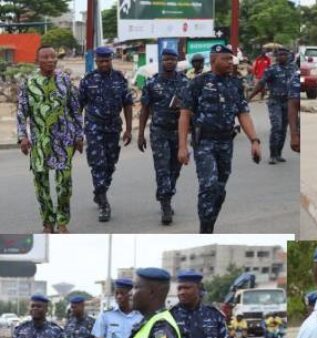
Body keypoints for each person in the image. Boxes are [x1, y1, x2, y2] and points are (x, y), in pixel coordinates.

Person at [178, 44, 263, 233]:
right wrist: (182, 146)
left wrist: (254, 140)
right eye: (226, 59)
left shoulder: (235, 84)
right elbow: (184, 115)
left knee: (219, 190)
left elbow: (243, 114)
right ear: (214, 59)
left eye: (231, 59)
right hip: (205, 142)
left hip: (226, 142)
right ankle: (205, 229)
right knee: (208, 185)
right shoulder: (198, 83)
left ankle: (209, 224)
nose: (230, 63)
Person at [17, 46, 83, 233]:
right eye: (45, 57)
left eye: (53, 57)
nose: (50, 60)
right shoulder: (28, 83)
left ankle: (62, 222)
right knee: (41, 185)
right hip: (39, 142)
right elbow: (22, 113)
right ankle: (47, 222)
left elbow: (75, 110)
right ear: (37, 60)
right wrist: (22, 136)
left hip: (64, 141)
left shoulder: (65, 81)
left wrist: (79, 135)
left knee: (64, 184)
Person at [79, 46, 134, 223]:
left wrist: (128, 129)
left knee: (110, 164)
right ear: (96, 61)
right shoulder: (87, 80)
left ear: (111, 60)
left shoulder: (119, 79)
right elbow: (78, 107)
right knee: (98, 163)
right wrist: (77, 132)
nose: (104, 64)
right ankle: (103, 202)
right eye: (100, 61)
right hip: (94, 126)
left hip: (113, 127)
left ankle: (100, 190)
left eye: (107, 60)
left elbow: (127, 104)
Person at [138, 47, 189, 225]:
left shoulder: (184, 82)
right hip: (159, 131)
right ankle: (166, 204)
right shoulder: (152, 83)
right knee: (162, 169)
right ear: (162, 61)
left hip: (178, 132)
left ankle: (165, 193)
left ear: (177, 61)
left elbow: (191, 109)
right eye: (166, 59)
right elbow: (144, 109)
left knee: (175, 168)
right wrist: (140, 134)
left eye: (172, 59)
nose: (169, 62)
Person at [249, 48, 296, 164]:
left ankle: (279, 153)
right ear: (276, 57)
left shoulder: (293, 69)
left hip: (289, 102)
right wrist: (249, 97)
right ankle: (272, 155)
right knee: (277, 126)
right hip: (275, 101)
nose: (282, 57)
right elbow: (261, 83)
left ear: (288, 55)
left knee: (284, 129)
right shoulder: (271, 69)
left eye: (284, 54)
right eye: (279, 55)